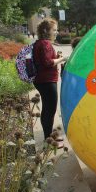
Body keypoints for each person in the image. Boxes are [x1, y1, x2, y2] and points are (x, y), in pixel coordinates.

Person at [33, 18, 68, 148]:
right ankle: (49, 140)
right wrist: (63, 59)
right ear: (46, 30)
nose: (56, 32)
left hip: (42, 80)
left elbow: (45, 60)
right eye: (54, 30)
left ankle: (48, 137)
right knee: (49, 110)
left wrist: (56, 58)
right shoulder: (45, 44)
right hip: (47, 81)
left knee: (47, 109)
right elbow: (47, 63)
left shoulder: (39, 43)